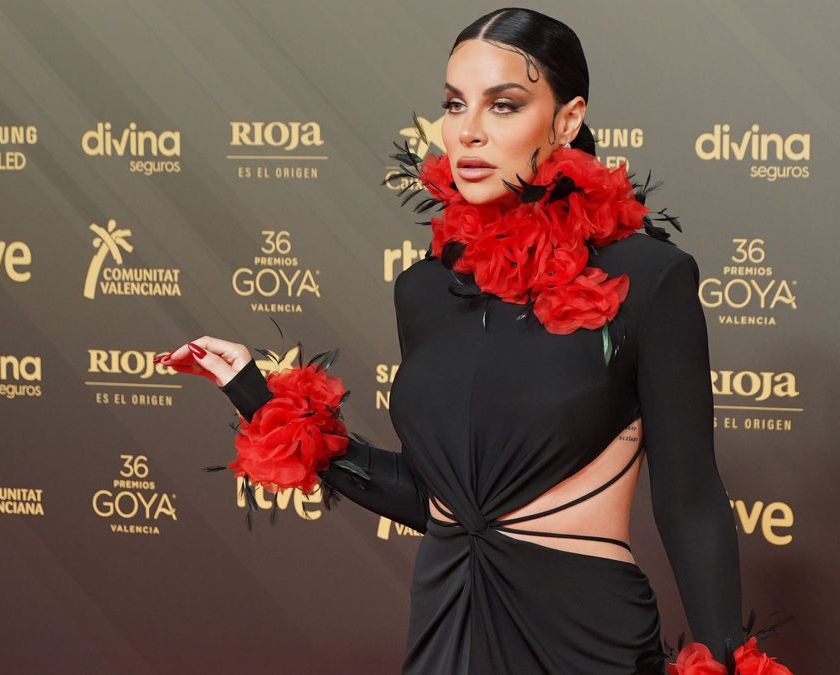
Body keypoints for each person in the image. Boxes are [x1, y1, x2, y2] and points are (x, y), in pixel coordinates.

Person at [157, 8, 743, 674]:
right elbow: (440, 499)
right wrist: (256, 396)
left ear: (568, 119)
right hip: (446, 624)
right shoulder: (425, 290)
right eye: (454, 103)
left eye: (504, 105)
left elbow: (690, 499)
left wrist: (729, 659)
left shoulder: (649, 277)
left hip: (583, 637)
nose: (467, 132)